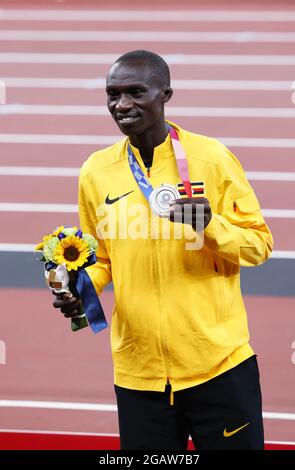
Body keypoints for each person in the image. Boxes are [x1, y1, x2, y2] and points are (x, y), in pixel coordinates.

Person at [53, 50, 273, 450]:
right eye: (112, 95)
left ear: (165, 94)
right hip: (139, 375)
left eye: (136, 92)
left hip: (219, 367)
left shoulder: (213, 159)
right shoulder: (95, 172)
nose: (122, 105)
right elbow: (99, 257)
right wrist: (80, 290)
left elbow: (258, 245)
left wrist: (210, 225)